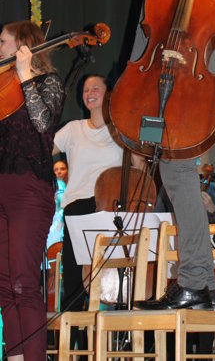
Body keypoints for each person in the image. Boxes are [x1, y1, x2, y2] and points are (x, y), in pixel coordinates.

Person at [54, 0, 215, 311]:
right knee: (165, 170)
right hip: (154, 82)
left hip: (193, 83)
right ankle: (202, 286)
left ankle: (197, 284)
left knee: (178, 173)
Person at [0, 20, 64, 360]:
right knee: (4, 286)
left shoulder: (47, 82)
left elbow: (41, 123)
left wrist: (25, 75)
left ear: (23, 45)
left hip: (29, 190)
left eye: (3, 42)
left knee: (23, 282)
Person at [52, 74, 130, 351]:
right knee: (74, 284)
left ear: (108, 93)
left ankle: (107, 348)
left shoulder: (120, 130)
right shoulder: (73, 129)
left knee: (109, 284)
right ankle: (72, 349)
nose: (90, 92)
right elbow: (43, 150)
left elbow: (138, 166)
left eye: (96, 87)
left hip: (110, 210)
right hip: (77, 209)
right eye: (86, 89)